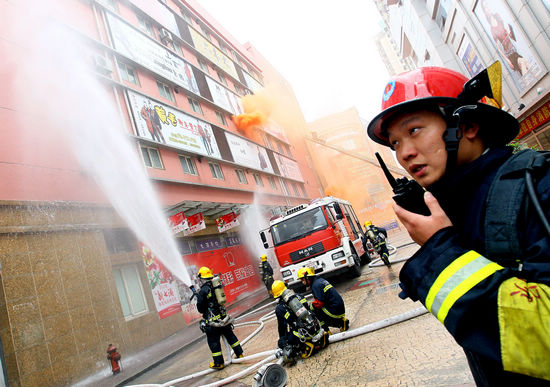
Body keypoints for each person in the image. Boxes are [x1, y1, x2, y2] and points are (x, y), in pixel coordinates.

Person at [367, 65, 550, 384]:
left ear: (465, 126)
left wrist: (441, 252)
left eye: (413, 131)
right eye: (394, 143)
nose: (405, 154)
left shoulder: (540, 187)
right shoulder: (451, 208)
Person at [195, 266, 243, 370]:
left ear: (202, 278)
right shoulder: (216, 286)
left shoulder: (203, 291)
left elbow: (200, 309)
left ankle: (219, 363)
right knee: (231, 337)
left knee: (213, 342)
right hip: (223, 318)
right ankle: (240, 354)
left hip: (213, 323)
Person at [272, 280, 328, 361]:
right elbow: (309, 310)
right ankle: (320, 337)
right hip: (315, 327)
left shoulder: (280, 308)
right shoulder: (299, 296)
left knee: (282, 341)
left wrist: (283, 341)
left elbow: (282, 327)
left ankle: (306, 346)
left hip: (302, 334)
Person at [297, 267, 349, 332]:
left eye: (302, 279)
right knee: (316, 309)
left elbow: (319, 303)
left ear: (307, 277)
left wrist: (308, 308)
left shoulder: (316, 285)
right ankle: (342, 321)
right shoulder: (320, 280)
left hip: (334, 310)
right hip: (338, 308)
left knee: (314, 312)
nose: (302, 282)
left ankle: (327, 331)